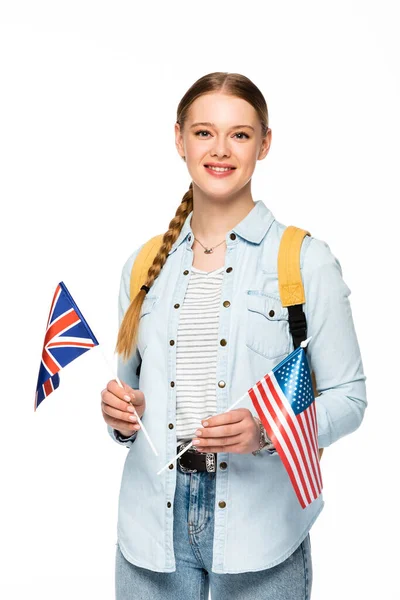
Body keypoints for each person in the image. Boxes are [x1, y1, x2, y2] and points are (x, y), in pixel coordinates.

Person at [100, 71, 367, 600]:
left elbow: (350, 398)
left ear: (264, 143)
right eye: (204, 132)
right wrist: (120, 416)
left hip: (260, 533)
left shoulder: (303, 260)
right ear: (179, 138)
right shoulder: (143, 264)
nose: (220, 149)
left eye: (240, 134)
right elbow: (130, 402)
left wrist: (267, 433)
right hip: (151, 531)